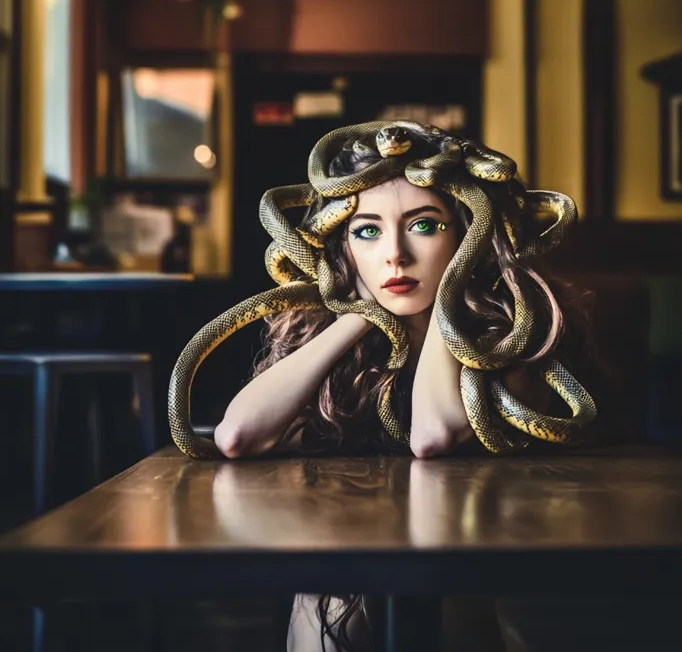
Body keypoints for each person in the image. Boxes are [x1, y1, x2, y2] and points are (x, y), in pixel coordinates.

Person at [203, 121, 597, 652]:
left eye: (424, 225)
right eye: (367, 231)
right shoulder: (333, 337)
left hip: (471, 573)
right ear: (343, 247)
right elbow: (235, 437)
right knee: (328, 597)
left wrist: (450, 292)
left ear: (469, 234)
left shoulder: (514, 339)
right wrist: (357, 313)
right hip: (346, 564)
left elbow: (433, 436)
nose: (395, 254)